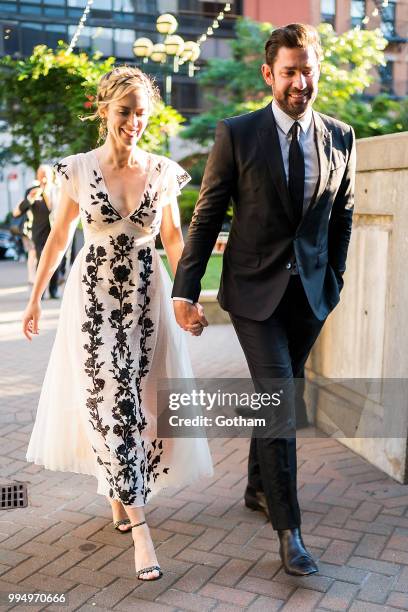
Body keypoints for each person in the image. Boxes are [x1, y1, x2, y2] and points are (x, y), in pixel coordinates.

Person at [172, 23, 355, 576]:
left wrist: (336, 278)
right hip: (252, 294)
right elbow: (206, 219)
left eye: (308, 70)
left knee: (280, 391)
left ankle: (257, 486)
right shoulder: (238, 134)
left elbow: (342, 215)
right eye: (290, 71)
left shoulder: (341, 136)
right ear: (268, 74)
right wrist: (185, 289)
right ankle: (289, 531)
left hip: (310, 297)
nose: (301, 82)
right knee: (280, 401)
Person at [22, 66, 213, 582]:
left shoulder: (164, 172)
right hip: (93, 302)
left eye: (141, 113)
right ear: (104, 110)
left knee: (140, 399)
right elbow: (59, 238)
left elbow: (173, 240)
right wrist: (36, 298)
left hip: (147, 301)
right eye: (124, 112)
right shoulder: (78, 170)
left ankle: (119, 490)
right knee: (111, 397)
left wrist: (187, 296)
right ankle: (142, 527)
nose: (134, 122)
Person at [13, 166, 60, 296]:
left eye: (46, 175)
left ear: (51, 176)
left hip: (55, 233)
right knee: (42, 262)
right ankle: (41, 293)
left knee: (55, 261)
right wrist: (29, 199)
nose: (44, 179)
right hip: (39, 234)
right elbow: (16, 212)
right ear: (37, 177)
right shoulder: (33, 192)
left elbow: (57, 209)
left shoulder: (57, 191)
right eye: (41, 175)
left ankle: (54, 290)